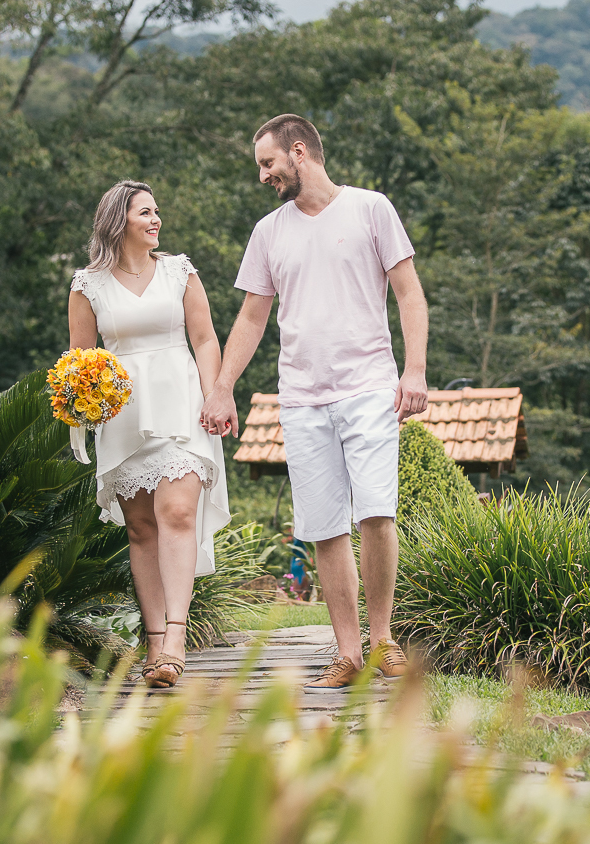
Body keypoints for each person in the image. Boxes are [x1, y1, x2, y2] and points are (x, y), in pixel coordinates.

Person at [201, 114, 429, 691]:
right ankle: (348, 654)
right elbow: (253, 317)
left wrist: (416, 370)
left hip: (370, 385)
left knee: (376, 511)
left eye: (268, 163)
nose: (263, 175)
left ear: (299, 153)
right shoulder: (269, 232)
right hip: (301, 398)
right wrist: (224, 384)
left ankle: (383, 642)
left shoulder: (372, 208)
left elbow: (409, 293)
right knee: (324, 526)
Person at [69, 180, 231, 688]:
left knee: (178, 511)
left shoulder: (180, 272)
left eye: (157, 210)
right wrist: (83, 405)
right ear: (119, 221)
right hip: (122, 414)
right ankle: (155, 642)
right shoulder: (86, 286)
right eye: (145, 212)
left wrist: (214, 395)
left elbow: (204, 339)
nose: (156, 219)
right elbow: (82, 360)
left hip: (181, 401)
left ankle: (177, 639)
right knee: (141, 528)